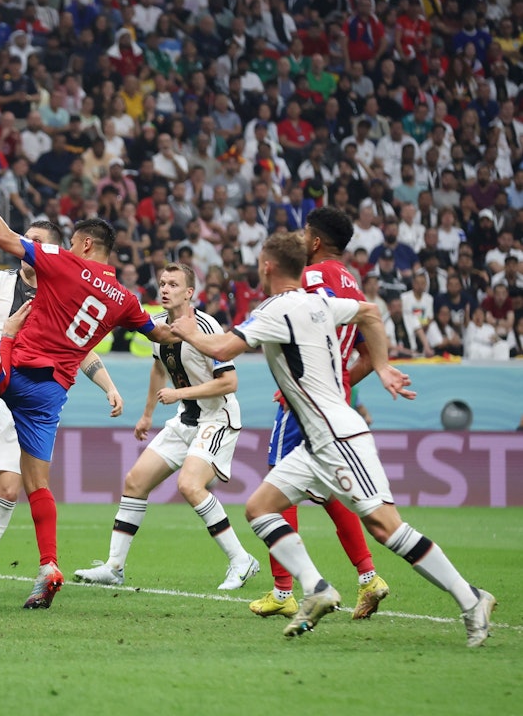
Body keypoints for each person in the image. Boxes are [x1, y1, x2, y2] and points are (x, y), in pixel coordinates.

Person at [171, 232, 496, 647]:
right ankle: (317, 588)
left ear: (267, 267)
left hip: (338, 434)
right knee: (260, 508)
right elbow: (371, 312)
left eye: (259, 261)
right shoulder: (322, 301)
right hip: (314, 440)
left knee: (385, 527)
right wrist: (381, 366)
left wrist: (187, 332)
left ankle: (471, 600)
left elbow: (220, 349)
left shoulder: (275, 309)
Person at [0, 170, 178, 609]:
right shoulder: (125, 298)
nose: (66, 249)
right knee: (37, 483)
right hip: (52, 391)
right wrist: (194, 330)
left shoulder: (62, 261)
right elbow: (158, 335)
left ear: (84, 245)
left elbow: (1, 235)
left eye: (71, 243)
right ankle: (48, 565)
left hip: (13, 370)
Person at [0, 221, 125, 602]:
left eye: (38, 242)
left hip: (20, 400)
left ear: (55, 251)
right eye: (27, 239)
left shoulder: (63, 288)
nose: (29, 245)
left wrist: (108, 385)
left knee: (10, 489)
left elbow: (81, 350)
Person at [75, 263, 260, 590]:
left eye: (174, 284)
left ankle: (241, 560)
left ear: (190, 293)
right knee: (135, 482)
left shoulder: (207, 326)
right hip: (185, 419)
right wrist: (147, 415)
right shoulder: (157, 326)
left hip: (217, 418)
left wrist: (180, 393)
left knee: (190, 485)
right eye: (162, 283)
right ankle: (114, 567)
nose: (165, 289)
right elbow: (158, 369)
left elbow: (229, 382)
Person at [250, 207, 391, 620]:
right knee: (330, 488)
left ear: (314, 242)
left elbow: (297, 322)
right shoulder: (353, 285)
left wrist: (312, 378)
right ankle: (369, 577)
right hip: (335, 400)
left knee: (277, 483)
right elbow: (366, 352)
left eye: (303, 233)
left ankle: (283, 590)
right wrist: (337, 380)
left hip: (303, 400)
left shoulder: (309, 278)